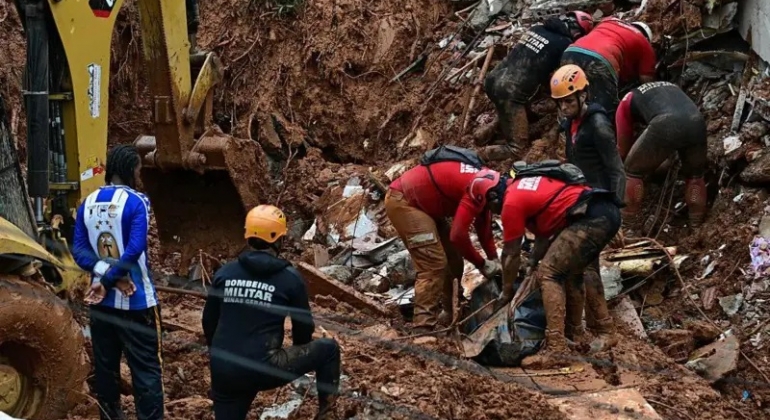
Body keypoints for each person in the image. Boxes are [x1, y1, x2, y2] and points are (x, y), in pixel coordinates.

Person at [469, 167, 621, 368]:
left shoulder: (511, 203)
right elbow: (543, 234)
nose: (491, 212)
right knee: (578, 272)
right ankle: (592, 332)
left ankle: (556, 349)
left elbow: (511, 253)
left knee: (549, 274)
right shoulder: (522, 187)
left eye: (489, 207)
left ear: (493, 196)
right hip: (603, 211)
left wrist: (506, 292)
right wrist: (532, 262)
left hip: (588, 219)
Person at [202, 205, 341, 420]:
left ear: (247, 235)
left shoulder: (224, 273)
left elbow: (208, 322)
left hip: (224, 370)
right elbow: (303, 327)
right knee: (329, 349)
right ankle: (327, 414)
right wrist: (296, 353)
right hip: (264, 367)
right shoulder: (290, 279)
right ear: (280, 239)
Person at [72, 144, 164, 420]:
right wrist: (114, 278)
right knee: (147, 370)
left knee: (106, 369)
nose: (140, 175)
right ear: (129, 171)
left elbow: (79, 252)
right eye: (138, 170)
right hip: (138, 303)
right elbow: (134, 249)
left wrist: (103, 278)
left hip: (101, 303)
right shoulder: (138, 202)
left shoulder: (86, 203)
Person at [386, 151, 502, 333]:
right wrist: (481, 264)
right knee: (433, 263)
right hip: (404, 201)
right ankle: (422, 326)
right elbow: (458, 235)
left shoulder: (488, 185)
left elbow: (484, 228)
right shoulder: (477, 187)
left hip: (426, 205)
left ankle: (450, 312)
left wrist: (494, 259)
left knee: (454, 258)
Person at [480, 11, 595, 160]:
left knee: (517, 98)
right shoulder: (565, 45)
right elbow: (561, 77)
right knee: (517, 149)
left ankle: (487, 131)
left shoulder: (536, 28)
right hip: (510, 93)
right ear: (578, 33)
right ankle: (478, 154)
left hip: (493, 79)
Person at [616, 81, 708, 226]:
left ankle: (627, 224)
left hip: (665, 123)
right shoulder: (671, 86)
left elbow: (623, 147)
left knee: (632, 172)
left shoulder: (626, 101)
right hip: (697, 122)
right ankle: (696, 223)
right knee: (695, 176)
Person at [551, 64, 626, 204]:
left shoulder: (599, 126)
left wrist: (615, 209)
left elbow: (617, 171)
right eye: (559, 102)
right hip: (580, 193)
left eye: (569, 101)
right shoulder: (570, 122)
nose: (563, 108)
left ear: (583, 96)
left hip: (598, 197)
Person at [560, 18, 656, 119]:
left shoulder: (609, 20)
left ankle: (567, 128)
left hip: (570, 52)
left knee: (569, 98)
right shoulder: (644, 42)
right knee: (606, 109)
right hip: (599, 59)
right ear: (646, 37)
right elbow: (647, 81)